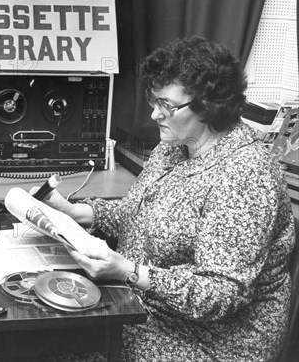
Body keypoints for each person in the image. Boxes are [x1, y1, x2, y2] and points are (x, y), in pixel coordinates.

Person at [26, 36, 295, 361]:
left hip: (210, 339)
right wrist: (70, 210)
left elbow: (218, 294)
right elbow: (138, 215)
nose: (154, 114)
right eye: (153, 101)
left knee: (66, 345)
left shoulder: (245, 175)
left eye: (166, 105)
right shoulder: (175, 145)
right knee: (47, 328)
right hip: (145, 304)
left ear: (209, 105)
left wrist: (128, 271)